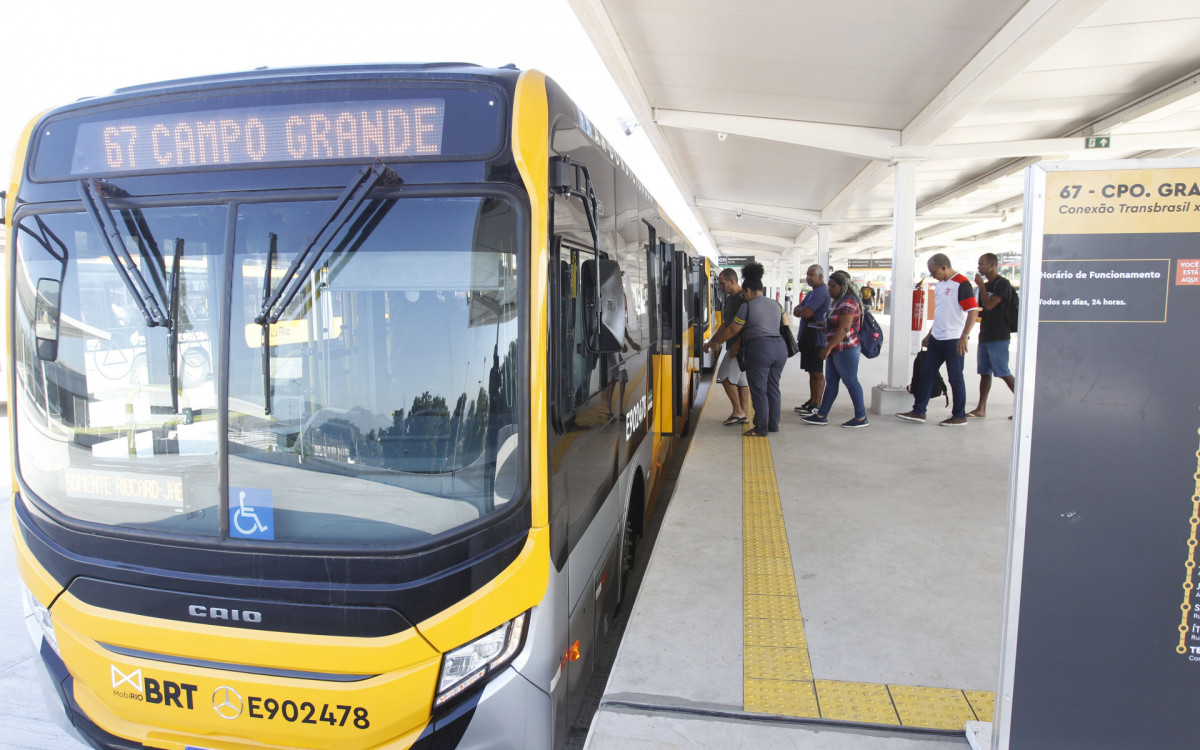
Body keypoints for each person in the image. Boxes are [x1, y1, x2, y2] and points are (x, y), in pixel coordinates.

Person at [703, 263, 787, 437]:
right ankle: (773, 424)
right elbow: (785, 324)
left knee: (759, 390)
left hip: (760, 348)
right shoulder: (776, 304)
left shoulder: (746, 306)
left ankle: (761, 428)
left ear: (748, 290)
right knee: (773, 388)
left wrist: (718, 341)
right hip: (780, 348)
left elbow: (733, 329)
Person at [897, 253, 980, 426]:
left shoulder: (962, 283)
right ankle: (919, 411)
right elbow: (941, 313)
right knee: (926, 373)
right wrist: (929, 334)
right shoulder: (940, 285)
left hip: (954, 339)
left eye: (933, 271)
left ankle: (959, 415)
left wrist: (964, 336)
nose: (932, 275)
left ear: (944, 267)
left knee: (955, 377)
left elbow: (973, 311)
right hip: (937, 338)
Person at [801, 270, 868, 428]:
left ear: (843, 286)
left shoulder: (848, 301)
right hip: (836, 348)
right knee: (831, 382)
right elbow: (838, 324)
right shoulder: (838, 301)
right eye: (829, 286)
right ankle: (821, 415)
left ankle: (861, 417)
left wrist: (827, 348)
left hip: (846, 348)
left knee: (851, 381)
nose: (829, 289)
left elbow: (844, 329)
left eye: (833, 286)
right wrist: (825, 325)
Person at [968, 253, 1016, 418]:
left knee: (1002, 371)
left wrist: (981, 286)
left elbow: (989, 306)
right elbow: (980, 309)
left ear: (992, 265)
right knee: (985, 373)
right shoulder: (986, 286)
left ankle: (1023, 407)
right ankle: (981, 408)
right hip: (985, 334)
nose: (979, 267)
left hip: (999, 335)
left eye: (981, 264)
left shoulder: (1002, 284)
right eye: (978, 264)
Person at [705, 268, 751, 425]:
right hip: (735, 346)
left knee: (724, 377)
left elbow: (744, 326)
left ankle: (738, 411)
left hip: (738, 348)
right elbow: (726, 324)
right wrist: (713, 341)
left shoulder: (742, 298)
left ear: (732, 281)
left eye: (723, 283)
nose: (721, 287)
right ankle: (744, 414)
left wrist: (733, 346)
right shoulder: (732, 299)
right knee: (741, 381)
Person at [791, 264, 830, 416]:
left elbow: (805, 312)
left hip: (817, 338)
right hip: (808, 337)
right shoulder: (812, 292)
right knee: (811, 372)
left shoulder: (821, 292)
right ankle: (812, 401)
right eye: (807, 274)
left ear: (820, 276)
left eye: (812, 274)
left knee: (817, 372)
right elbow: (797, 311)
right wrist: (801, 310)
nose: (808, 277)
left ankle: (817, 405)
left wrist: (801, 310)